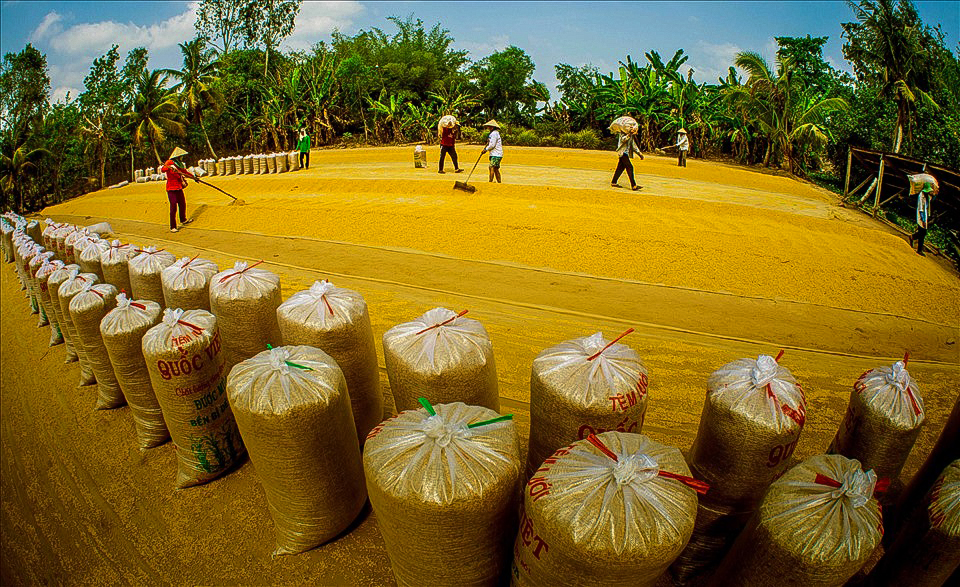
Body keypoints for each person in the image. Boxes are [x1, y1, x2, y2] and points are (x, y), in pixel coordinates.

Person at [160, 158, 196, 233]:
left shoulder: (179, 164)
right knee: (173, 206)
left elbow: (185, 172)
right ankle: (173, 226)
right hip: (171, 188)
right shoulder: (169, 162)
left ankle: (183, 219)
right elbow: (163, 169)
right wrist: (169, 167)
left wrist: (194, 177)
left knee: (182, 204)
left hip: (179, 187)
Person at [910, 179, 938, 256]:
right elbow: (921, 208)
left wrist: (935, 194)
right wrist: (922, 219)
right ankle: (919, 249)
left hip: (925, 215)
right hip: (921, 215)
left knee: (923, 232)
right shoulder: (921, 196)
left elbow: (931, 201)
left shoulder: (927, 196)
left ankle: (913, 237)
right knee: (922, 232)